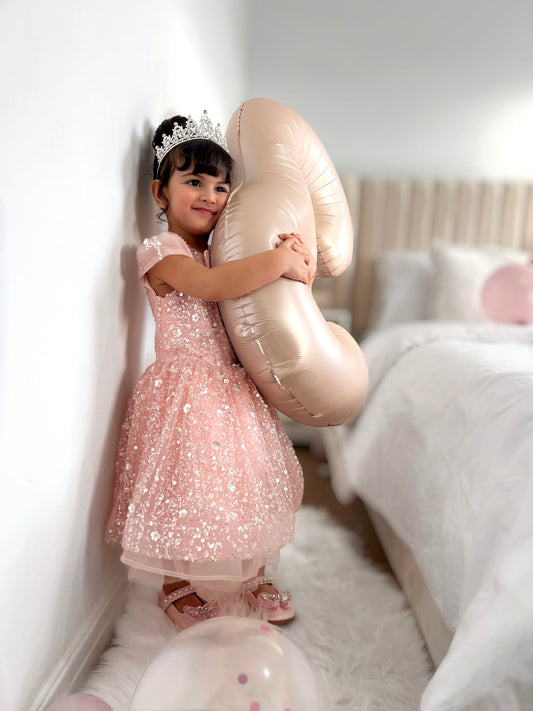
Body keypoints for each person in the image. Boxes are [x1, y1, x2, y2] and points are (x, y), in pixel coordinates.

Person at [105, 111, 315, 630]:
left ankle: (253, 575)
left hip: (233, 386)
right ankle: (175, 583)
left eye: (222, 187)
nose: (210, 196)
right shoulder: (162, 252)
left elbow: (261, 295)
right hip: (185, 389)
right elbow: (214, 286)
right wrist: (277, 261)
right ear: (160, 192)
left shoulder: (225, 249)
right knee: (185, 489)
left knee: (246, 484)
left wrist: (294, 261)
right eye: (194, 182)